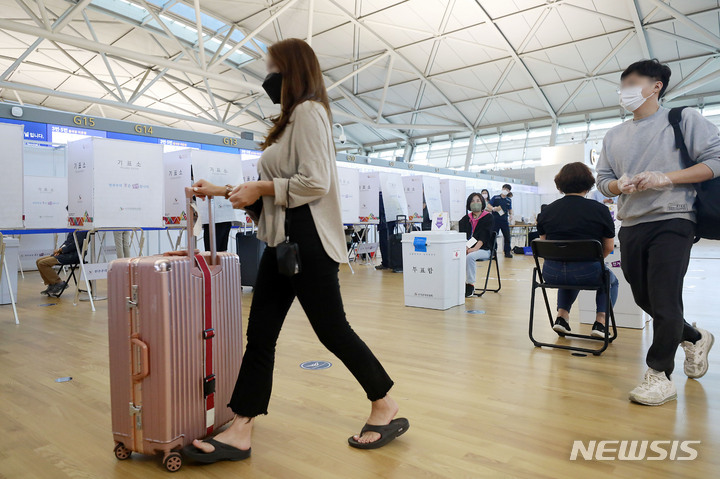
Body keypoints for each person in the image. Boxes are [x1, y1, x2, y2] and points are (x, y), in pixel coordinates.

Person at [182, 38, 407, 463]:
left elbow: (314, 182)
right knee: (261, 333)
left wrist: (259, 187)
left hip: (308, 240)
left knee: (331, 330)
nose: (266, 77)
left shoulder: (309, 111)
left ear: (291, 70)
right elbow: (279, 185)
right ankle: (242, 426)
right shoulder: (289, 121)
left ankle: (384, 403)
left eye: (272, 69)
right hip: (283, 240)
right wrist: (224, 190)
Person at [596, 59, 718, 406]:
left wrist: (667, 177)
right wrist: (617, 184)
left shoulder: (681, 119)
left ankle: (659, 374)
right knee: (645, 298)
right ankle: (694, 337)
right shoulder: (614, 135)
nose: (626, 91)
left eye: (633, 83)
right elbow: (603, 180)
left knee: (664, 297)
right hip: (632, 223)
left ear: (656, 86)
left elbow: (716, 159)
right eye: (623, 85)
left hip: (674, 219)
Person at [537, 162, 619, 338]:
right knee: (610, 280)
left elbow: (544, 245)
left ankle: (561, 317)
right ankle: (600, 322)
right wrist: (594, 262)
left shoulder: (547, 211)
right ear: (589, 183)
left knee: (567, 269)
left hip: (551, 273)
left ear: (560, 184)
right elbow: (609, 247)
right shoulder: (600, 210)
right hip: (588, 272)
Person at [459, 193, 494, 298]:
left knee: (470, 257)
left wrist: (474, 249)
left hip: (485, 249)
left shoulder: (488, 217)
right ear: (469, 204)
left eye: (478, 200)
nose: (475, 203)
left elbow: (484, 236)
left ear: (482, 202)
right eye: (473, 201)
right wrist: (465, 248)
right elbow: (463, 236)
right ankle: (456, 284)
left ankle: (470, 284)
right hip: (468, 247)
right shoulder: (465, 219)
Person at [36, 229, 89, 297]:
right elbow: (67, 242)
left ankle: (58, 283)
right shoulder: (74, 229)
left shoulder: (83, 230)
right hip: (66, 253)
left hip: (74, 255)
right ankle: (52, 284)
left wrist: (61, 250)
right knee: (38, 261)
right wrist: (59, 250)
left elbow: (75, 245)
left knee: (42, 263)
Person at [489, 184, 513, 258]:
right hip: (495, 220)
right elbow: (488, 205)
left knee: (507, 236)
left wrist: (511, 214)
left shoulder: (508, 200)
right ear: (502, 188)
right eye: (505, 188)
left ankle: (507, 252)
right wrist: (493, 208)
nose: (506, 190)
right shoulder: (496, 197)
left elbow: (510, 209)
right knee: (494, 236)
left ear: (509, 191)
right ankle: (493, 252)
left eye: (507, 190)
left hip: (504, 220)